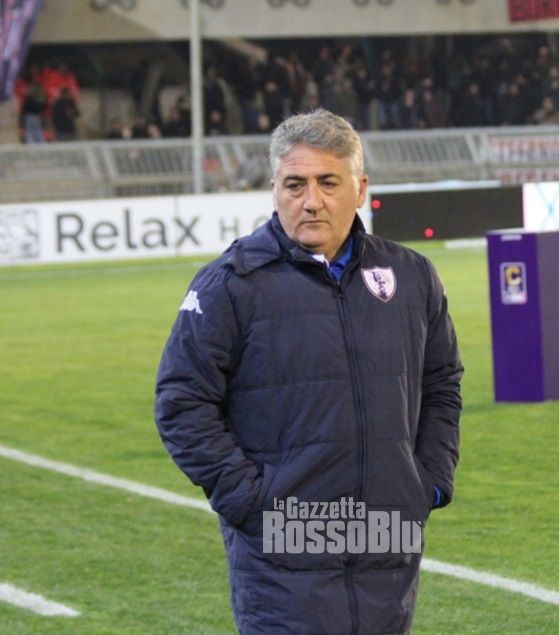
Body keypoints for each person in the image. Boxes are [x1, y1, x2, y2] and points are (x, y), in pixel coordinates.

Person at [154, 109, 463, 634]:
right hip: (283, 542)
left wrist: (427, 482)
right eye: (295, 185)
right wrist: (251, 502)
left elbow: (441, 384)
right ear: (275, 190)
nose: (311, 201)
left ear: (360, 189)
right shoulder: (231, 284)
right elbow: (182, 403)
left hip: (387, 535)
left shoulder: (410, 276)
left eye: (328, 182)